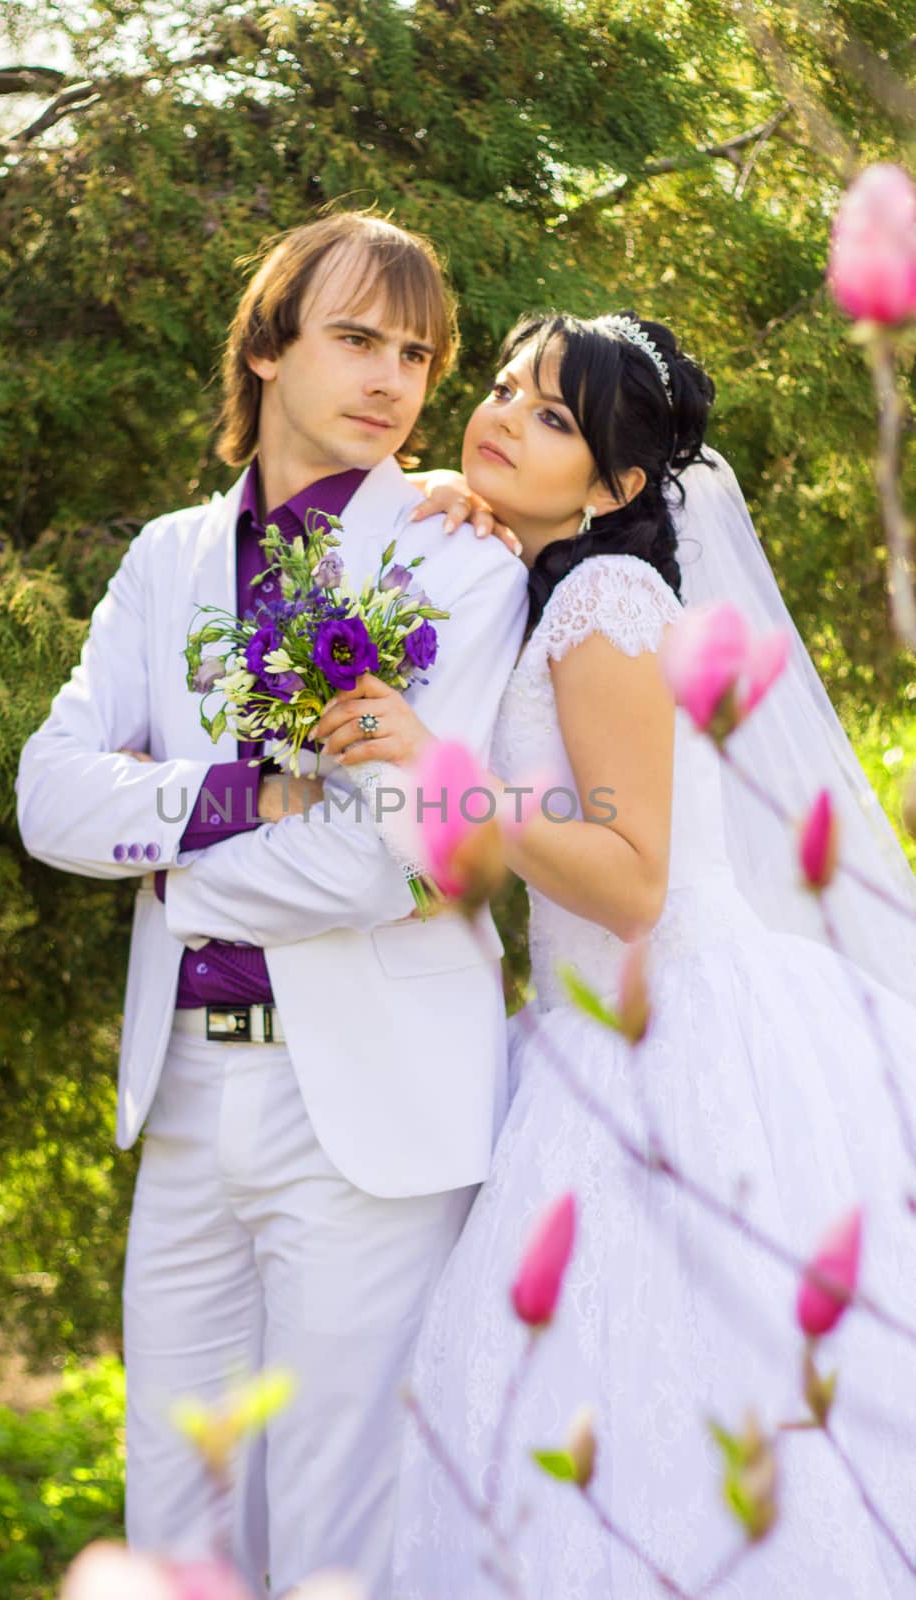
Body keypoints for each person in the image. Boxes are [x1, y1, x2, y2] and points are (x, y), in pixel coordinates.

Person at [314, 310, 916, 1595]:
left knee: (646, 1406)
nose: (497, 418)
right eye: (500, 389)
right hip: (594, 1033)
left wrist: (442, 771)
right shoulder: (549, 580)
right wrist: (442, 488)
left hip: (674, 1042)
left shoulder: (603, 597)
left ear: (617, 485)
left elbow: (634, 879)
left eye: (550, 418)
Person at [15, 210, 528, 1597]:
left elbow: (381, 857)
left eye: (417, 354)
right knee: (173, 1508)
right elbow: (51, 800)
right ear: (266, 346)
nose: (390, 379)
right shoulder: (164, 557)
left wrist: (169, 875)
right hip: (180, 1094)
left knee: (333, 1529)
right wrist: (237, 802)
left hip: (362, 1107)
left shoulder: (456, 565)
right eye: (355, 338)